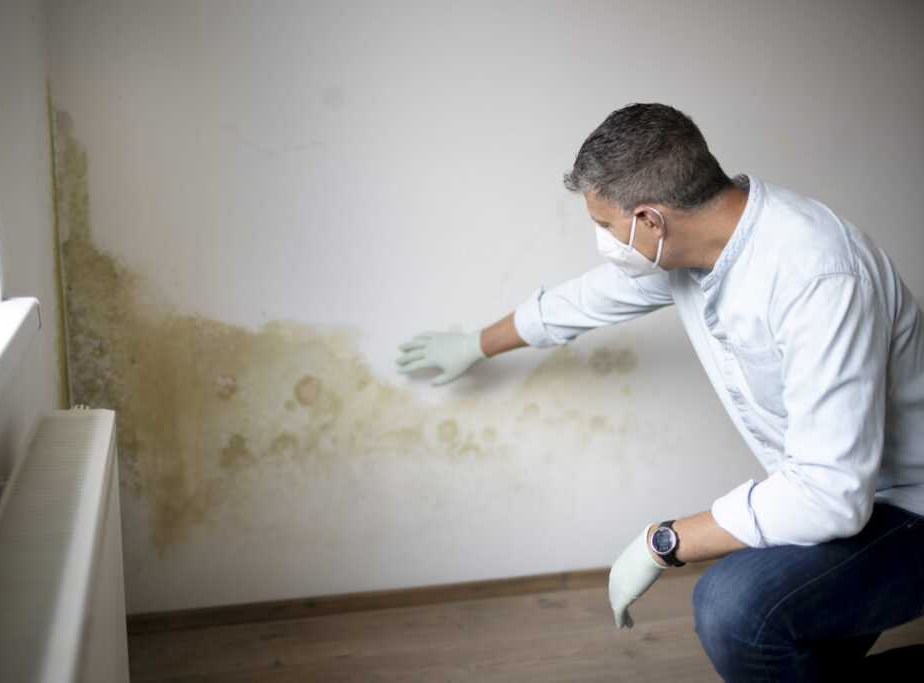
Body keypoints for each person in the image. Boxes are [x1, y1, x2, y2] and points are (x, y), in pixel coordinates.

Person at [395, 103, 924, 680]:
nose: (602, 240)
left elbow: (828, 495)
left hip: (904, 506)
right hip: (846, 498)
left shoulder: (816, 276)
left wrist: (662, 542)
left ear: (650, 220)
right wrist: (474, 344)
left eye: (602, 225)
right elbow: (582, 301)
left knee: (733, 607)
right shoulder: (696, 253)